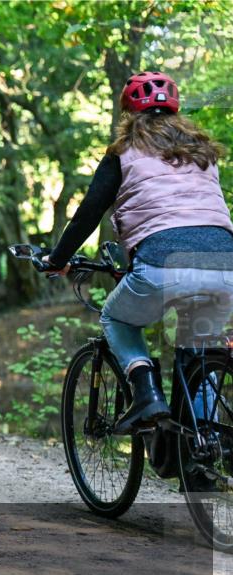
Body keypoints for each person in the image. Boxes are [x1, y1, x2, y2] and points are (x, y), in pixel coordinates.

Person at [44, 71, 233, 435]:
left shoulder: (123, 153)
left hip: (163, 263)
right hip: (225, 266)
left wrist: (58, 259)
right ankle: (204, 444)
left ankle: (147, 394)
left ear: (129, 113)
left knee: (117, 318)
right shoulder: (203, 153)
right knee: (200, 350)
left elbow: (89, 212)